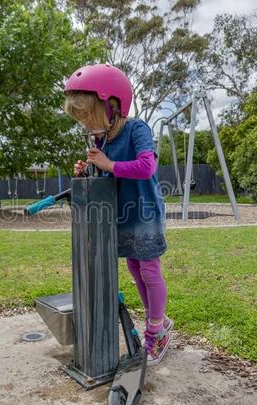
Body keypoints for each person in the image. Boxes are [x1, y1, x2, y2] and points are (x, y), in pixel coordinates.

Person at [64, 64, 173, 366]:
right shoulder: (102, 141)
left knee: (149, 270)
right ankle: (158, 323)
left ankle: (156, 331)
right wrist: (89, 170)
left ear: (112, 105)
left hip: (144, 211)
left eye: (88, 116)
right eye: (81, 119)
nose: (86, 124)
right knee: (136, 270)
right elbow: (107, 175)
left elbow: (146, 166)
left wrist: (109, 164)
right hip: (121, 214)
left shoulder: (136, 129)